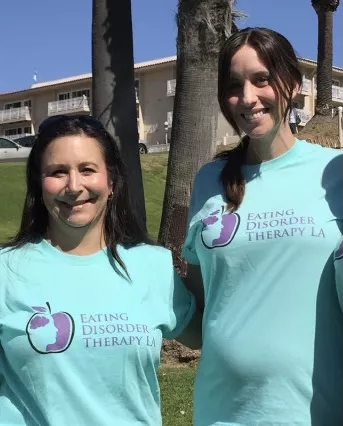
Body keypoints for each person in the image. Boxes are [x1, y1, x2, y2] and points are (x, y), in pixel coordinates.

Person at [182, 27, 343, 425]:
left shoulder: (334, 173)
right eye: (234, 85)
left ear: (291, 83)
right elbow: (199, 305)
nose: (247, 98)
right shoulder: (209, 181)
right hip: (222, 412)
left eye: (262, 79)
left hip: (313, 411)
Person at [0, 115, 199, 425]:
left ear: (112, 182)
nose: (74, 186)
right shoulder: (6, 271)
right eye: (58, 172)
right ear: (39, 184)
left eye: (87, 170)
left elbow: (214, 335)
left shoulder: (153, 266)